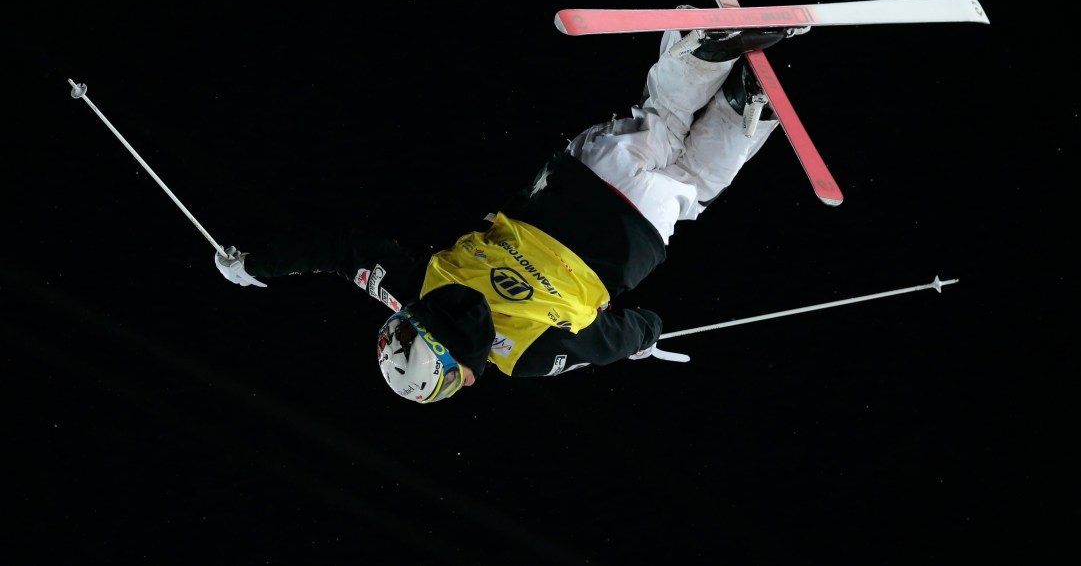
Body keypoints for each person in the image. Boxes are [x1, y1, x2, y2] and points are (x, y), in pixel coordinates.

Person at [215, 24, 786, 403]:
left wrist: (646, 334)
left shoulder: (524, 358)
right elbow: (341, 252)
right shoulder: (420, 287)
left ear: (450, 367)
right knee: (659, 119)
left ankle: (745, 108)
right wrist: (255, 266)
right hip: (576, 190)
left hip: (633, 238)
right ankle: (703, 53)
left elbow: (607, 340)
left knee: (692, 186)